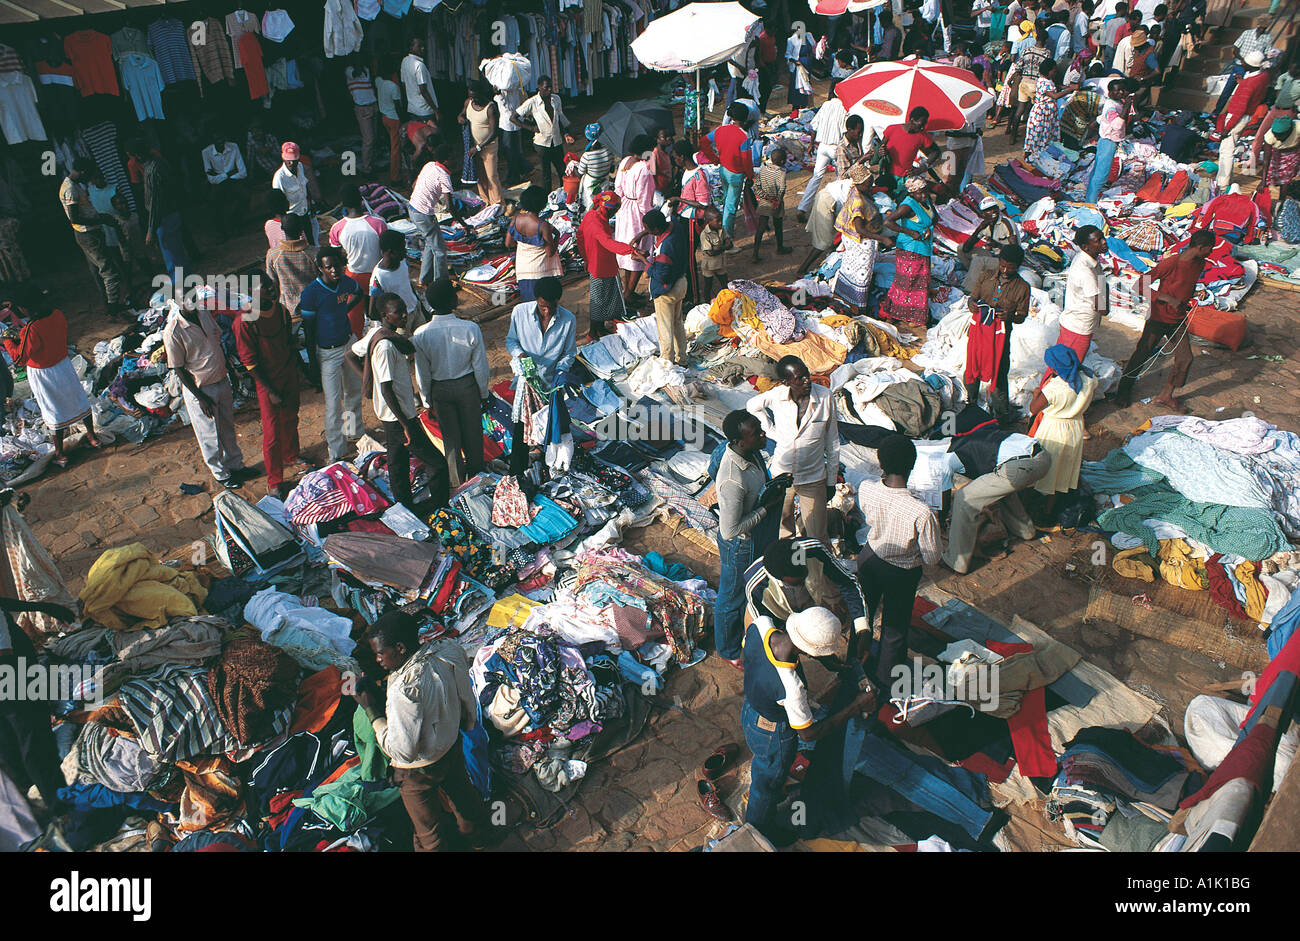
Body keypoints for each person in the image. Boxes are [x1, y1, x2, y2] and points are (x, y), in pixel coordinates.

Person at [352, 610, 488, 852]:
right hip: (451, 746)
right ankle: (480, 841)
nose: (378, 660)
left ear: (401, 648)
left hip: (418, 771)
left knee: (428, 830)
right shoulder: (448, 650)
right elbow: (466, 699)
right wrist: (465, 726)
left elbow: (403, 752)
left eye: (381, 653)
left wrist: (372, 711)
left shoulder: (403, 690)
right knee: (465, 800)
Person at [740, 605, 876, 842]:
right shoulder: (791, 688)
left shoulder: (761, 626)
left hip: (751, 710)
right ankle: (758, 831)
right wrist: (856, 706)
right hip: (773, 733)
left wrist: (827, 661)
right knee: (767, 783)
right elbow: (809, 734)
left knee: (765, 769)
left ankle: (766, 803)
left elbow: (755, 655)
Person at [348, 293, 450, 510]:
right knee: (437, 464)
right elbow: (386, 389)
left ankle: (404, 505)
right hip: (399, 416)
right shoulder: (385, 346)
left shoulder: (378, 333)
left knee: (397, 462)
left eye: (404, 310)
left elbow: (350, 355)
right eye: (398, 312)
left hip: (390, 414)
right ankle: (438, 505)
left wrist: (370, 380)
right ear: (385, 315)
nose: (404, 315)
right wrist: (406, 425)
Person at [856, 434, 942, 687]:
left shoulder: (867, 489)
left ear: (880, 464)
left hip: (870, 558)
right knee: (894, 626)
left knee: (863, 615)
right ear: (912, 465)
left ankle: (855, 666)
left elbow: (869, 518)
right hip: (902, 571)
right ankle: (885, 680)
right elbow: (932, 557)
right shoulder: (921, 511)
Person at [941, 404, 1053, 574]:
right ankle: (1025, 531)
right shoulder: (981, 436)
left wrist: (942, 517)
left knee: (964, 499)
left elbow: (946, 486)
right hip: (1042, 457)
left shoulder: (953, 452)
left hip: (1019, 467)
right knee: (998, 489)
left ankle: (956, 562)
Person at [714, 410, 787, 667]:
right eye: (757, 433)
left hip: (756, 537)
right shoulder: (732, 479)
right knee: (730, 599)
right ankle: (729, 650)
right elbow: (729, 531)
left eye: (760, 428)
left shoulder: (751, 452)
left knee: (747, 590)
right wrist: (766, 508)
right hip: (740, 545)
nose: (763, 435)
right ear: (740, 441)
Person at [0, 588, 78, 823]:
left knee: (9, 745)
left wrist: (40, 608)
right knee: (35, 741)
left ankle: (31, 806)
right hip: (11, 675)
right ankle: (61, 809)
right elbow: (4, 653)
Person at [1114, 228, 1215, 410]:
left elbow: (1186, 284)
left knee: (1185, 358)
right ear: (1200, 247)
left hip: (1178, 319)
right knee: (1142, 354)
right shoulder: (1172, 263)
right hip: (1159, 317)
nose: (1211, 252)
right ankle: (1123, 392)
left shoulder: (1200, 263)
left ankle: (1166, 395)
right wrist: (1168, 299)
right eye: (1210, 248)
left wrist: (1193, 294)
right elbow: (1140, 286)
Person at [746, 356, 837, 547]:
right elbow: (751, 406)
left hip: (813, 478)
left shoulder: (825, 397)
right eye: (800, 378)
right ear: (786, 382)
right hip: (782, 475)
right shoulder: (777, 396)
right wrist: (770, 430)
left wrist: (831, 481)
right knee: (782, 530)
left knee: (817, 537)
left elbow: (832, 443)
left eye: (806, 375)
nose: (807, 381)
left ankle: (816, 574)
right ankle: (788, 572)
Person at [0, 302, 99, 469]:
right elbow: (44, 340)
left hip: (44, 373)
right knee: (78, 397)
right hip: (63, 364)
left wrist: (8, 341)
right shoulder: (57, 314)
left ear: (26, 308)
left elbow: (19, 358)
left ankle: (60, 454)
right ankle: (93, 438)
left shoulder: (31, 328)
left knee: (52, 409)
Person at [411, 279, 489, 489]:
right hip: (467, 387)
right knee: (473, 434)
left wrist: (427, 401)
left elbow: (422, 372)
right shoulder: (470, 328)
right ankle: (479, 479)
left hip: (440, 389)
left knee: (451, 440)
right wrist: (483, 394)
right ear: (453, 300)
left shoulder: (421, 334)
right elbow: (480, 366)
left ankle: (457, 483)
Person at [163, 297, 247, 490]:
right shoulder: (173, 331)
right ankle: (221, 474)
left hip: (221, 379)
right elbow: (178, 368)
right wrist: (200, 398)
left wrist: (230, 372)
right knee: (209, 434)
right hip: (201, 389)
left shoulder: (203, 314)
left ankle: (236, 466)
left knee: (227, 427)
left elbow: (218, 342)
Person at [234, 275, 303, 499]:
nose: (271, 289)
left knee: (292, 417)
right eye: (264, 287)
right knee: (272, 433)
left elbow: (288, 342)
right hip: (267, 383)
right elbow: (250, 363)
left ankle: (291, 455)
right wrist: (270, 391)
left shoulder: (280, 311)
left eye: (270, 284)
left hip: (288, 374)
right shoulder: (244, 321)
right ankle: (275, 480)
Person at [504, 277, 577, 477]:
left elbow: (569, 353)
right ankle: (517, 473)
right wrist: (520, 354)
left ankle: (548, 472)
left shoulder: (568, 320)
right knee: (521, 430)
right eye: (543, 306)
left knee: (550, 429)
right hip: (526, 385)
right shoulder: (520, 313)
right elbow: (511, 341)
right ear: (537, 300)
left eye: (552, 307)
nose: (547, 311)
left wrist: (561, 372)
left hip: (551, 386)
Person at [302, 247, 364, 463]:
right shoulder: (311, 294)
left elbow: (358, 291)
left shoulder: (345, 282)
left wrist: (343, 310)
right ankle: (337, 451)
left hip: (348, 344)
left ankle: (354, 432)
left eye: (337, 265)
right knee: (333, 404)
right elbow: (308, 331)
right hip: (327, 354)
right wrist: (312, 363)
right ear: (321, 268)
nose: (335, 270)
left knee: (354, 392)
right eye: (329, 267)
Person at [965, 244, 1031, 421]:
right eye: (1002, 265)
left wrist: (1010, 316)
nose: (1005, 270)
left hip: (1001, 335)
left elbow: (1022, 316)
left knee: (999, 371)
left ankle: (1001, 414)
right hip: (980, 331)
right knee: (973, 364)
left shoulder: (1023, 287)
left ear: (1018, 266)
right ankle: (970, 404)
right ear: (999, 261)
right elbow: (973, 297)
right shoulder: (986, 276)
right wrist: (971, 303)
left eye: (1011, 267)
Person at [1030, 344, 1097, 516]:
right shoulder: (1088, 379)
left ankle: (1041, 511)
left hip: (1053, 428)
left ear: (1054, 367)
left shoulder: (1054, 388)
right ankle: (1054, 506)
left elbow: (1033, 408)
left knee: (1047, 469)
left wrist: (1037, 393)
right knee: (1064, 469)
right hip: (1075, 427)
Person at [59, 158, 127, 318]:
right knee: (109, 271)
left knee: (97, 271)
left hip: (88, 233)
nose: (89, 179)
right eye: (88, 175)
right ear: (83, 171)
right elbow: (74, 218)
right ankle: (113, 307)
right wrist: (101, 220)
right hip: (87, 234)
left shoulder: (72, 186)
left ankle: (109, 304)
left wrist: (100, 217)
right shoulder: (70, 189)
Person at [577, 191, 642, 339]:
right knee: (601, 299)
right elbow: (607, 242)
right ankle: (594, 332)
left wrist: (586, 257)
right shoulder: (597, 224)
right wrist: (630, 250)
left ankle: (599, 329)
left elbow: (580, 236)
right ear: (609, 208)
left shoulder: (590, 216)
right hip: (602, 266)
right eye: (615, 209)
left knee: (601, 297)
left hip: (595, 263)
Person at [127, 142, 191, 287]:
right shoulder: (158, 163)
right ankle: (187, 282)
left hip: (164, 217)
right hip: (171, 213)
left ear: (138, 155)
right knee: (178, 252)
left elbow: (155, 203)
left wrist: (150, 230)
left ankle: (180, 287)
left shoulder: (151, 170)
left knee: (172, 256)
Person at [831, 164, 892, 311]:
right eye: (868, 183)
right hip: (861, 242)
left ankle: (845, 296)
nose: (871, 185)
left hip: (853, 240)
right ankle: (858, 306)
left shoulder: (856, 190)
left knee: (850, 268)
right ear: (859, 184)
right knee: (861, 273)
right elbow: (859, 229)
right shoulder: (858, 200)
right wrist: (882, 238)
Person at [881, 174, 938, 327]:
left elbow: (934, 218)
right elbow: (888, 222)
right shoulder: (907, 205)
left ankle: (912, 315)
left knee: (920, 282)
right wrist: (910, 232)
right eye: (920, 192)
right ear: (912, 193)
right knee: (906, 282)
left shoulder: (925, 200)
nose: (924, 195)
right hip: (910, 249)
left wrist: (926, 229)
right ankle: (893, 313)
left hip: (923, 246)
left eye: (925, 191)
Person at [1049, 224, 1108, 372]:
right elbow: (1101, 308)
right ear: (1085, 246)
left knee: (1059, 367)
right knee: (1065, 372)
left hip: (1074, 324)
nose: (1104, 242)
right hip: (1078, 328)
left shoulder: (1090, 260)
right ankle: (1045, 395)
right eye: (1098, 240)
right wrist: (1106, 303)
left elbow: (1101, 285)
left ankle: (1044, 393)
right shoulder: (1085, 270)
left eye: (1103, 237)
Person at [329, 185, 387, 327]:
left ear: (343, 205)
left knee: (354, 321)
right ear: (362, 201)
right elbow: (386, 251)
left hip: (353, 277)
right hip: (377, 275)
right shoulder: (379, 223)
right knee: (380, 317)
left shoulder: (337, 228)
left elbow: (336, 257)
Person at [1215, 52, 1272, 190]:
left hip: (1237, 117)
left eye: (1245, 63)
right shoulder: (1263, 77)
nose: (1242, 64)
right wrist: (1242, 82)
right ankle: (1223, 179)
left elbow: (1239, 110)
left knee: (1226, 151)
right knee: (1228, 148)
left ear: (1251, 67)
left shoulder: (1249, 84)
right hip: (1246, 115)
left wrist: (1226, 128)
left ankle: (1222, 183)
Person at [408, 140, 459, 289]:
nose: (455, 160)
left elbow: (414, 185)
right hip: (424, 215)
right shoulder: (444, 177)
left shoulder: (429, 165)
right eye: (452, 157)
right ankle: (441, 284)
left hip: (413, 208)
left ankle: (424, 279)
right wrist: (464, 224)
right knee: (440, 251)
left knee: (431, 243)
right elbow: (451, 208)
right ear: (445, 160)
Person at [613, 135, 657, 305]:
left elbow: (618, 188)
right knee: (640, 252)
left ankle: (627, 290)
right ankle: (628, 294)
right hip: (637, 213)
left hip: (624, 208)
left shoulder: (625, 161)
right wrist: (650, 219)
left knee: (627, 250)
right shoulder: (643, 169)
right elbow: (644, 199)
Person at [644, 209, 691, 366]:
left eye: (648, 230)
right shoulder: (675, 227)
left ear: (656, 230)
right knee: (677, 322)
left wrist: (644, 262)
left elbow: (660, 274)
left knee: (665, 327)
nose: (647, 232)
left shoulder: (666, 247)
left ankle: (667, 360)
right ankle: (682, 358)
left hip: (666, 290)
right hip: (681, 282)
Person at [514, 76, 573, 193]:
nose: (549, 90)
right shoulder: (532, 102)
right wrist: (531, 128)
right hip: (542, 143)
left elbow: (559, 118)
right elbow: (514, 118)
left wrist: (566, 133)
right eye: (546, 87)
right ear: (539, 87)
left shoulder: (556, 99)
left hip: (556, 141)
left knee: (562, 170)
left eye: (551, 87)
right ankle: (548, 199)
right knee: (546, 175)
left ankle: (564, 194)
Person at [795, 91, 848, 221]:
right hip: (836, 147)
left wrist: (811, 144)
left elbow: (814, 126)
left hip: (822, 146)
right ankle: (838, 212)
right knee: (839, 179)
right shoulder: (845, 108)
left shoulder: (825, 105)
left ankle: (802, 208)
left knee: (816, 176)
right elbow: (846, 131)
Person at [505, 186, 562, 302]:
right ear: (542, 205)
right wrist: (557, 236)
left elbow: (508, 243)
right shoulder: (543, 225)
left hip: (523, 269)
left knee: (528, 304)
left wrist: (525, 244)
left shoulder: (516, 219)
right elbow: (550, 252)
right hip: (540, 271)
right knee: (543, 304)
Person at [708, 103, 757, 237]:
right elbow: (746, 160)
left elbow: (704, 142)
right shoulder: (744, 136)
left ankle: (725, 226)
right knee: (731, 206)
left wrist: (714, 158)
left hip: (723, 170)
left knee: (726, 201)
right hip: (736, 174)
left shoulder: (720, 129)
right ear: (745, 119)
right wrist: (750, 176)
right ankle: (726, 238)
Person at [1085, 78, 1134, 203]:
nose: (1121, 93)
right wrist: (1127, 106)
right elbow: (1117, 125)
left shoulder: (1117, 102)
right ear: (1110, 92)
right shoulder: (1111, 107)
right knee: (1101, 174)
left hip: (1108, 140)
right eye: (1117, 91)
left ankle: (1090, 198)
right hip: (1108, 141)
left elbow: (1101, 118)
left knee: (1098, 171)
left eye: (1122, 90)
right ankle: (1090, 202)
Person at [960, 196, 1021, 288]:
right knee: (960, 248)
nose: (993, 212)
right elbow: (966, 248)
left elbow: (1015, 250)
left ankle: (968, 289)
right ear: (983, 214)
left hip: (1006, 262)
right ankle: (974, 277)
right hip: (994, 256)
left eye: (994, 208)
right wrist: (979, 229)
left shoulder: (1006, 223)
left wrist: (998, 245)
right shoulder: (985, 225)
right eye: (989, 210)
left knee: (978, 260)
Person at [265, 214, 317, 320]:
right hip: (314, 307)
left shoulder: (273, 255)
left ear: (282, 229)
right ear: (301, 229)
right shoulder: (314, 253)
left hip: (289, 311)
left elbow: (272, 284)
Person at [1252, 58, 1300, 172]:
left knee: (1279, 139)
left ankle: (1275, 167)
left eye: (1291, 69)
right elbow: (1280, 79)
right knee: (1260, 134)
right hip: (1275, 109)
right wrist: (1279, 91)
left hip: (1287, 113)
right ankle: (1253, 162)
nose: (1289, 70)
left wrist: (1297, 107)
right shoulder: (1287, 76)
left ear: (1298, 70)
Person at [370, 229, 423, 331]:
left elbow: (407, 285)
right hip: (400, 322)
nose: (405, 252)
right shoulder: (378, 277)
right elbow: (373, 312)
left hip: (415, 309)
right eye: (402, 249)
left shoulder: (403, 262)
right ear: (391, 252)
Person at [460, 80, 502, 206]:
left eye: (475, 96)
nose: (473, 99)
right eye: (471, 96)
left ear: (481, 94)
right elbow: (461, 114)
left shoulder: (490, 108)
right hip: (473, 147)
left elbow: (494, 132)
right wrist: (461, 118)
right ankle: (486, 201)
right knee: (480, 176)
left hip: (488, 147)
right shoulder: (468, 103)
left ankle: (498, 204)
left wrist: (478, 147)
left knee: (491, 176)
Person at [1023, 58, 1075, 158]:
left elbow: (1056, 87)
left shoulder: (1048, 81)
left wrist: (1066, 87)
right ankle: (1028, 157)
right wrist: (1070, 89)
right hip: (1041, 114)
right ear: (1048, 70)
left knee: (1045, 136)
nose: (1054, 73)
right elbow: (1055, 96)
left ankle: (1041, 158)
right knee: (1036, 137)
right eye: (1053, 71)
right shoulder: (1043, 83)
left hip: (1048, 114)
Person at [1008, 26, 1051, 141]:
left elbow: (1018, 67)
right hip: (1036, 85)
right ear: (1046, 40)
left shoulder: (1027, 50)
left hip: (1024, 83)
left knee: (1019, 110)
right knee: (1033, 112)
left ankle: (1013, 135)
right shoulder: (1047, 54)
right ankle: (1031, 136)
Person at [201, 135, 247, 240]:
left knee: (244, 197)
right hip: (221, 183)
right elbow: (211, 179)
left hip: (233, 181)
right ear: (211, 141)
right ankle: (221, 232)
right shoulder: (206, 152)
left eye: (222, 138)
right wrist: (228, 174)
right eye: (217, 139)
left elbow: (243, 172)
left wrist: (220, 176)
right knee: (214, 203)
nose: (220, 141)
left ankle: (236, 225)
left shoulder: (233, 147)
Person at [272, 142, 317, 246]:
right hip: (291, 218)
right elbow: (277, 202)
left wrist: (311, 202)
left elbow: (304, 185)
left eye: (294, 161)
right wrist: (285, 222)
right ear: (283, 159)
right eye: (289, 161)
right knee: (296, 245)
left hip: (304, 211)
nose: (292, 164)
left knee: (311, 241)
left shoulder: (300, 166)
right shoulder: (279, 177)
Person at [882, 107, 940, 188]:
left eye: (924, 125)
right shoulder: (892, 129)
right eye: (921, 124)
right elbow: (881, 147)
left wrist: (923, 167)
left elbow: (936, 152)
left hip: (905, 179)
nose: (922, 128)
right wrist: (882, 151)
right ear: (912, 120)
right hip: (886, 175)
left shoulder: (922, 135)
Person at [752, 147, 791, 261]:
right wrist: (777, 200)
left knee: (761, 227)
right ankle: (780, 247)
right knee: (778, 225)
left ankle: (755, 253)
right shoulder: (781, 173)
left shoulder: (763, 169)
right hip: (776, 203)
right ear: (783, 162)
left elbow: (756, 187)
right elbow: (782, 189)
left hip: (764, 202)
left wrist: (766, 197)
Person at [376, 55, 404, 184]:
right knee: (395, 149)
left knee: (393, 147)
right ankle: (395, 177)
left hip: (384, 118)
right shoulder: (393, 87)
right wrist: (403, 120)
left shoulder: (379, 81)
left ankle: (397, 171)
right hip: (394, 119)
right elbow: (398, 107)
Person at [695, 207, 733, 298]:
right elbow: (710, 253)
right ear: (709, 221)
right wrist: (724, 247)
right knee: (708, 285)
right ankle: (707, 303)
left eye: (721, 220)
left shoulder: (721, 229)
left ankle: (728, 301)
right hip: (709, 266)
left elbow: (730, 244)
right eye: (718, 221)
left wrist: (719, 248)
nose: (720, 222)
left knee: (725, 284)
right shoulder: (705, 234)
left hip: (721, 263)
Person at [576, 123, 614, 211]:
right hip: (604, 181)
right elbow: (612, 169)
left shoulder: (587, 156)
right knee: (603, 202)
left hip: (590, 182)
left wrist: (574, 165)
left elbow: (580, 174)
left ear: (587, 138)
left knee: (591, 203)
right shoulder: (609, 150)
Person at [401, 37, 438, 122]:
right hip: (425, 111)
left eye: (423, 46)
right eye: (419, 46)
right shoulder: (419, 65)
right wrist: (436, 110)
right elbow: (423, 90)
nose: (423, 48)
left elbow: (404, 84)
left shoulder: (405, 61)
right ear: (411, 47)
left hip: (413, 109)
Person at [1259, 116, 1300, 193]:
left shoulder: (1298, 127)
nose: (1277, 138)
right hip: (1278, 152)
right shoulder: (1269, 137)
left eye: (1279, 136)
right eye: (1275, 135)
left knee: (1286, 178)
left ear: (1289, 131)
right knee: (1273, 174)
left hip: (1294, 151)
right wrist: (1263, 181)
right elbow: (1266, 160)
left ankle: (1282, 198)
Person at [786, 26, 815, 110]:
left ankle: (804, 106)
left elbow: (814, 47)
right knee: (797, 86)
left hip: (807, 64)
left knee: (806, 83)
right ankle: (795, 107)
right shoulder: (791, 40)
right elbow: (788, 55)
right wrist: (795, 62)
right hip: (797, 67)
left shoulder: (809, 36)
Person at [649, 127, 675, 197]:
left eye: (669, 136)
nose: (668, 138)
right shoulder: (654, 154)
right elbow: (651, 176)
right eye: (664, 137)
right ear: (657, 139)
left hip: (667, 190)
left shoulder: (666, 154)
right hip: (659, 193)